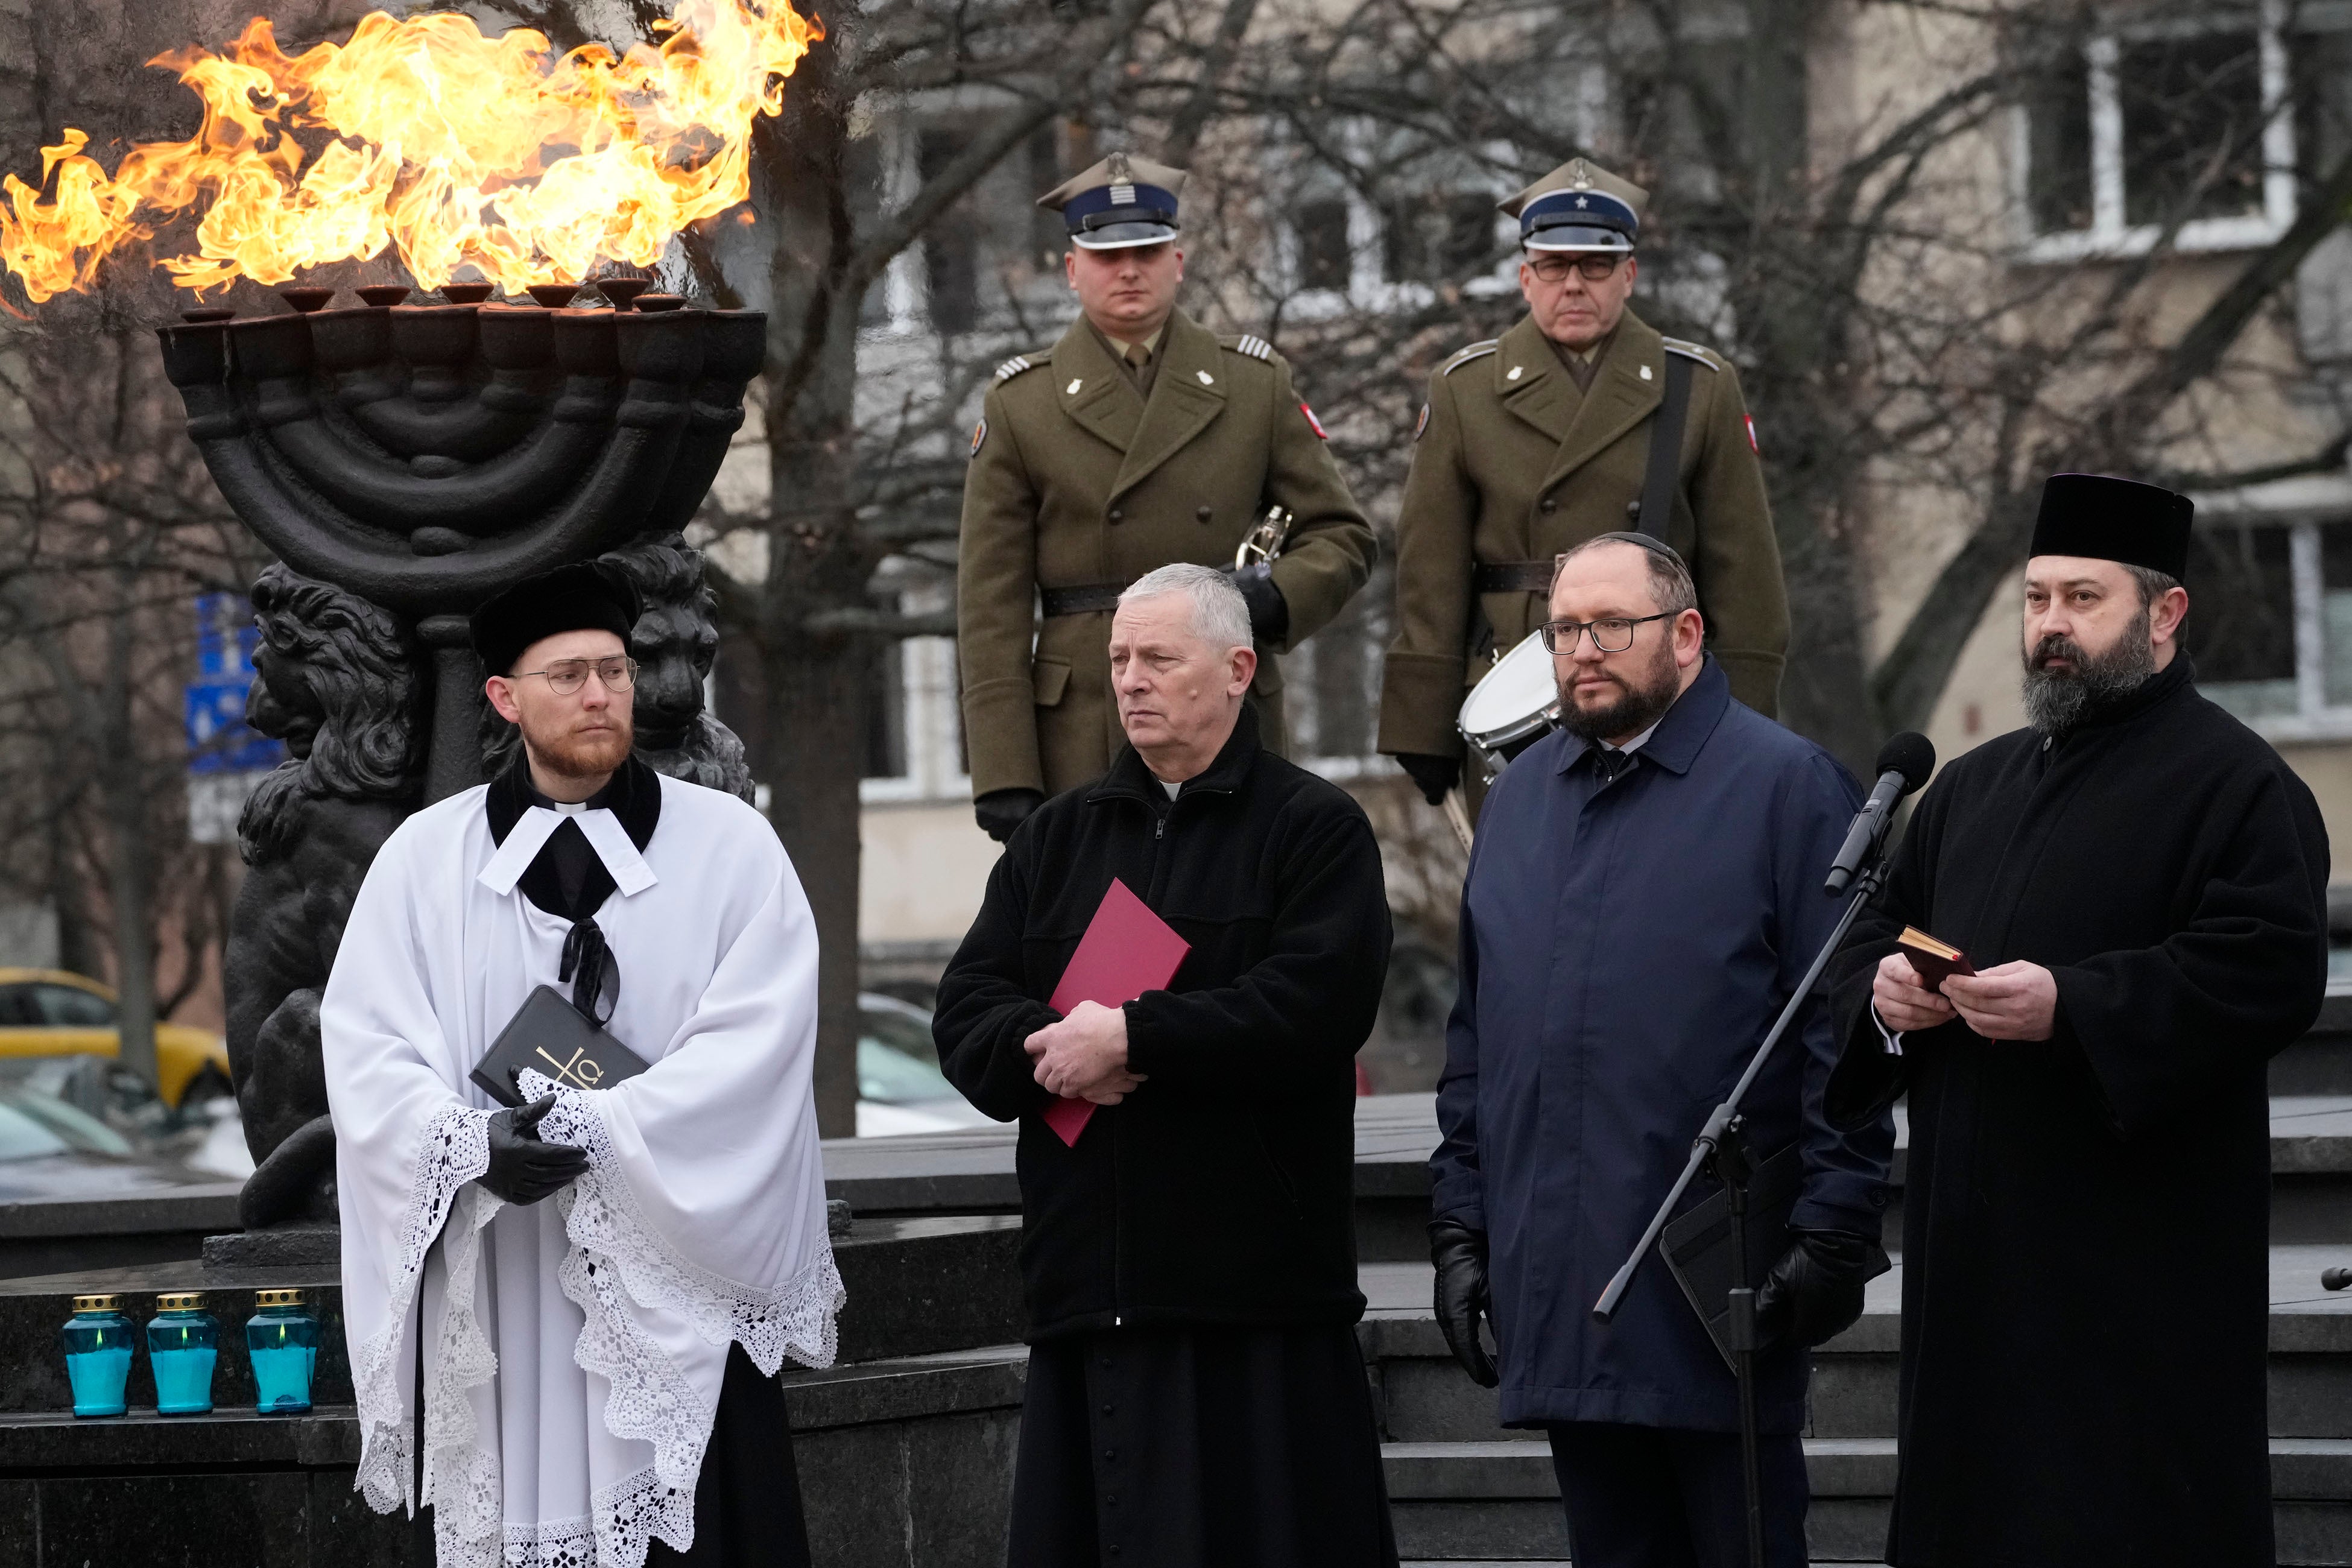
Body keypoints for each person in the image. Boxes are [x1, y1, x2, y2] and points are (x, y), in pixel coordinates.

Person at [1824, 473, 2331, 1568]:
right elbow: (1877, 935)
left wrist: (2076, 1004)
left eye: (2082, 600)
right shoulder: (1970, 785)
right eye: (2037, 599)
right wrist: (1890, 999)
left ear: (2165, 614)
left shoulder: (2238, 785)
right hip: (1973, 1266)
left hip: (2137, 1272)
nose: (2051, 626)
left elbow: (2271, 969)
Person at [323, 561, 843, 1568]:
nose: (602, 693)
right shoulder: (426, 863)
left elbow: (759, 1047)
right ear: (506, 699)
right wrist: (469, 1148)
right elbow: (370, 1049)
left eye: (613, 670)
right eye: (568, 676)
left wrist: (589, 1131)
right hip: (513, 1286)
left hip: (679, 1292)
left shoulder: (730, 849)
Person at [1428, 534, 1894, 1567]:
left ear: (1685, 635)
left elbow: (1838, 1037)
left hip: (1718, 1288)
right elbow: (1478, 1045)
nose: (1582, 650)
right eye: (1563, 630)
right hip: (1559, 1290)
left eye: (1610, 626)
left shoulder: (1786, 788)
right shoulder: (1517, 807)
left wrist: (1831, 1233)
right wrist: (1461, 1227)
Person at [933, 563, 1398, 1567]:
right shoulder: (1055, 840)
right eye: (1117, 660)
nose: (1130, 679)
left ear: (1237, 669)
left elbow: (1316, 1006)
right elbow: (966, 1013)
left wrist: (1136, 1037)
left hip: (1256, 1308)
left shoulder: (1313, 829)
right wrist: (1051, 1052)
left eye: (1158, 658)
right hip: (1089, 1298)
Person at [956, 151, 1376, 842]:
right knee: (1106, 934)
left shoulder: (1252, 384)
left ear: (1178, 262)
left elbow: (1345, 536)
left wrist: (1271, 594)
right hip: (1087, 717)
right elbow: (990, 608)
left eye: (1148, 251)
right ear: (1071, 270)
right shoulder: (1020, 405)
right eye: (1107, 253)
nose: (1129, 269)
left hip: (1224, 700)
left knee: (1237, 913)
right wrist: (1005, 771)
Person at [1378, 157, 1788, 815]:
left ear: (1628, 275)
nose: (1574, 284)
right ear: (1524, 277)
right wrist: (1422, 725)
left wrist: (1742, 720)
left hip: (1661, 696)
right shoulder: (1465, 391)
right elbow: (1430, 576)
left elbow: (1746, 581)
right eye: (1553, 265)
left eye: (1594, 266)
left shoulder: (1697, 387)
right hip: (1516, 697)